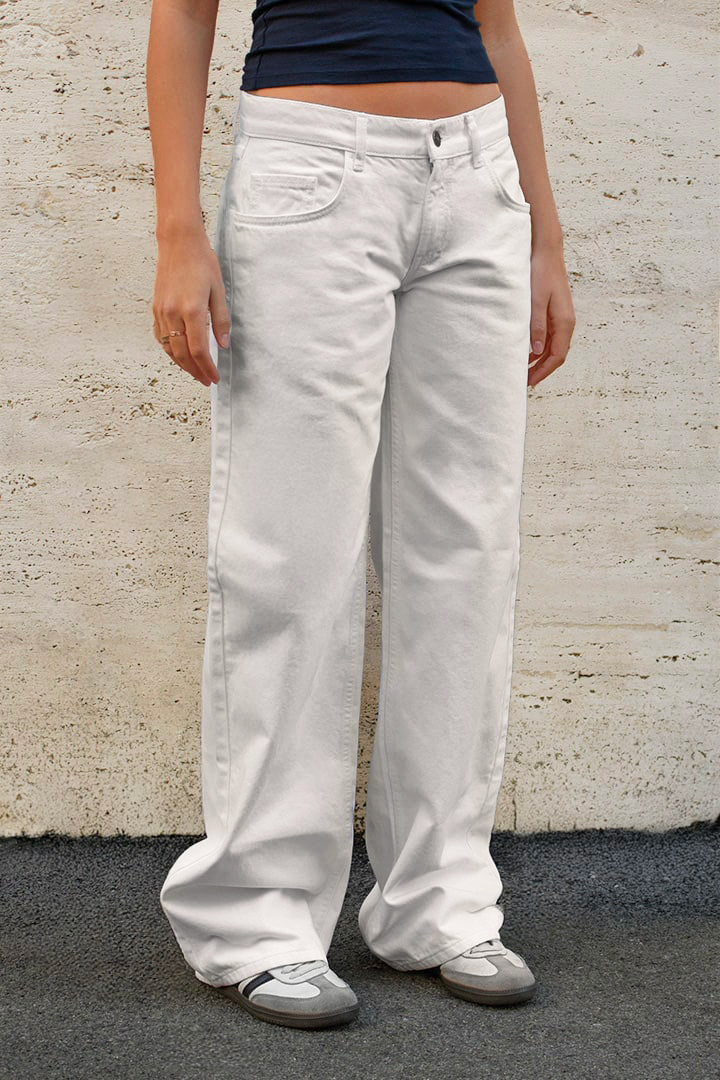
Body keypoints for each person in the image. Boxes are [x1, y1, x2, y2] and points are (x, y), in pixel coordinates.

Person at [147, 0, 575, 1031]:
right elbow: (183, 12)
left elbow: (498, 25)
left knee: (466, 555)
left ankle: (440, 898)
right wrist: (178, 227)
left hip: (478, 180)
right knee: (294, 557)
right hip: (309, 170)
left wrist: (545, 235)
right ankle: (257, 919)